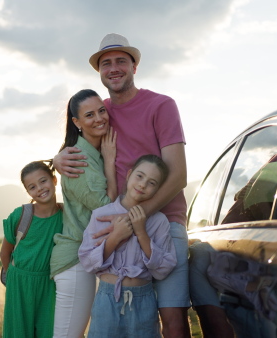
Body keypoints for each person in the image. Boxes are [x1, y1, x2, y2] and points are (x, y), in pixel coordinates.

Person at [54, 33, 190, 337]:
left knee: (173, 322)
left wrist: (133, 220)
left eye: (121, 61)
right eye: (106, 63)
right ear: (99, 72)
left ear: (134, 67)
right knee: (117, 316)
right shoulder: (99, 111)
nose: (113, 68)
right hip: (114, 226)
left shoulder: (161, 105)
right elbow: (78, 136)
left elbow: (178, 175)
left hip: (164, 222)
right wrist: (58, 157)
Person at [79, 154, 178, 337]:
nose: (142, 185)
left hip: (144, 302)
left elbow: (163, 269)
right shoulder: (101, 215)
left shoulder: (159, 221)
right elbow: (87, 261)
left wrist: (141, 233)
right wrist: (115, 237)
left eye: (152, 183)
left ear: (158, 190)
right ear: (129, 174)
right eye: (139, 176)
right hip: (107, 300)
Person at [50, 89, 118, 337]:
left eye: (102, 111)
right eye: (89, 115)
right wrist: (110, 161)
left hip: (87, 256)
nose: (99, 118)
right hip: (75, 261)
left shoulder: (91, 151)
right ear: (76, 123)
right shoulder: (78, 159)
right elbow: (105, 207)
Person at [0, 160, 64, 338]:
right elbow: (4, 253)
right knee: (19, 332)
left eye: (43, 181)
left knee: (50, 331)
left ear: (54, 180)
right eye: (32, 187)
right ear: (28, 191)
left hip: (49, 284)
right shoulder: (21, 215)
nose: (40, 188)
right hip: (19, 283)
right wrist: (14, 279)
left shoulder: (66, 216)